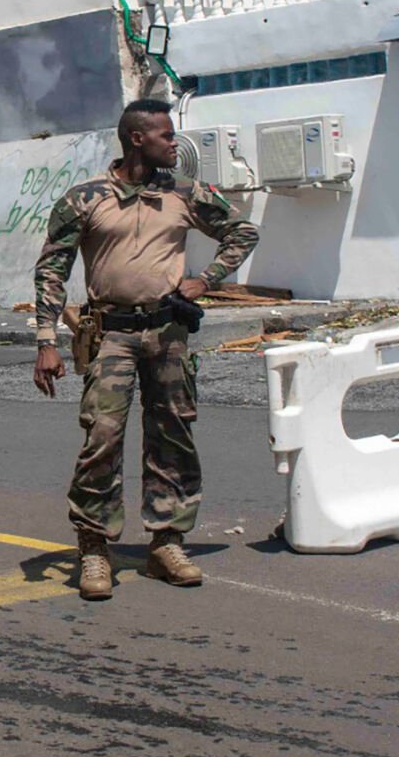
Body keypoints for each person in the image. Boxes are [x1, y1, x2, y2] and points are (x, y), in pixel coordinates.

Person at [32, 98, 259, 599]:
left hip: (169, 333)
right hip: (110, 334)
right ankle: (94, 549)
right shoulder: (85, 199)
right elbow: (52, 270)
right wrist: (46, 341)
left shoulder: (184, 191)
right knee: (102, 439)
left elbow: (242, 231)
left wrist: (207, 278)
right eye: (165, 136)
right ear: (138, 139)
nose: (174, 144)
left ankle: (166, 544)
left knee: (173, 436)